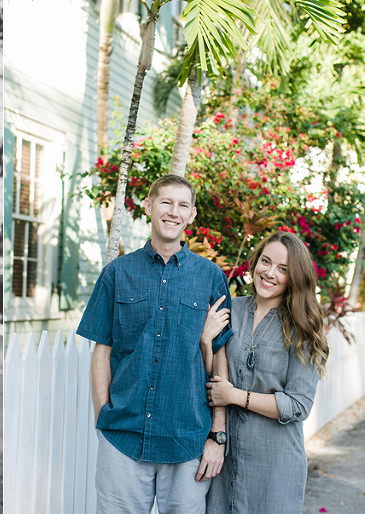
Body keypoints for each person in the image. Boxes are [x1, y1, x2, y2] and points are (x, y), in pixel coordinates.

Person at [77, 174, 233, 514]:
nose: (173, 212)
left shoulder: (210, 277)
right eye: (166, 202)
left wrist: (217, 435)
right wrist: (102, 417)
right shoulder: (117, 273)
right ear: (149, 206)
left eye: (183, 205)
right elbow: (102, 351)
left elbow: (221, 358)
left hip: (187, 439)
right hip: (124, 436)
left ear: (192, 214)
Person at [203, 231, 329, 514]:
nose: (270, 273)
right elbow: (210, 378)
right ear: (255, 261)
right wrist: (205, 342)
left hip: (275, 468)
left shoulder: (302, 328)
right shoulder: (231, 309)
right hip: (225, 460)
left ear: (294, 277)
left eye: (283, 269)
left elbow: (297, 405)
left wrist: (234, 396)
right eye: (266, 261)